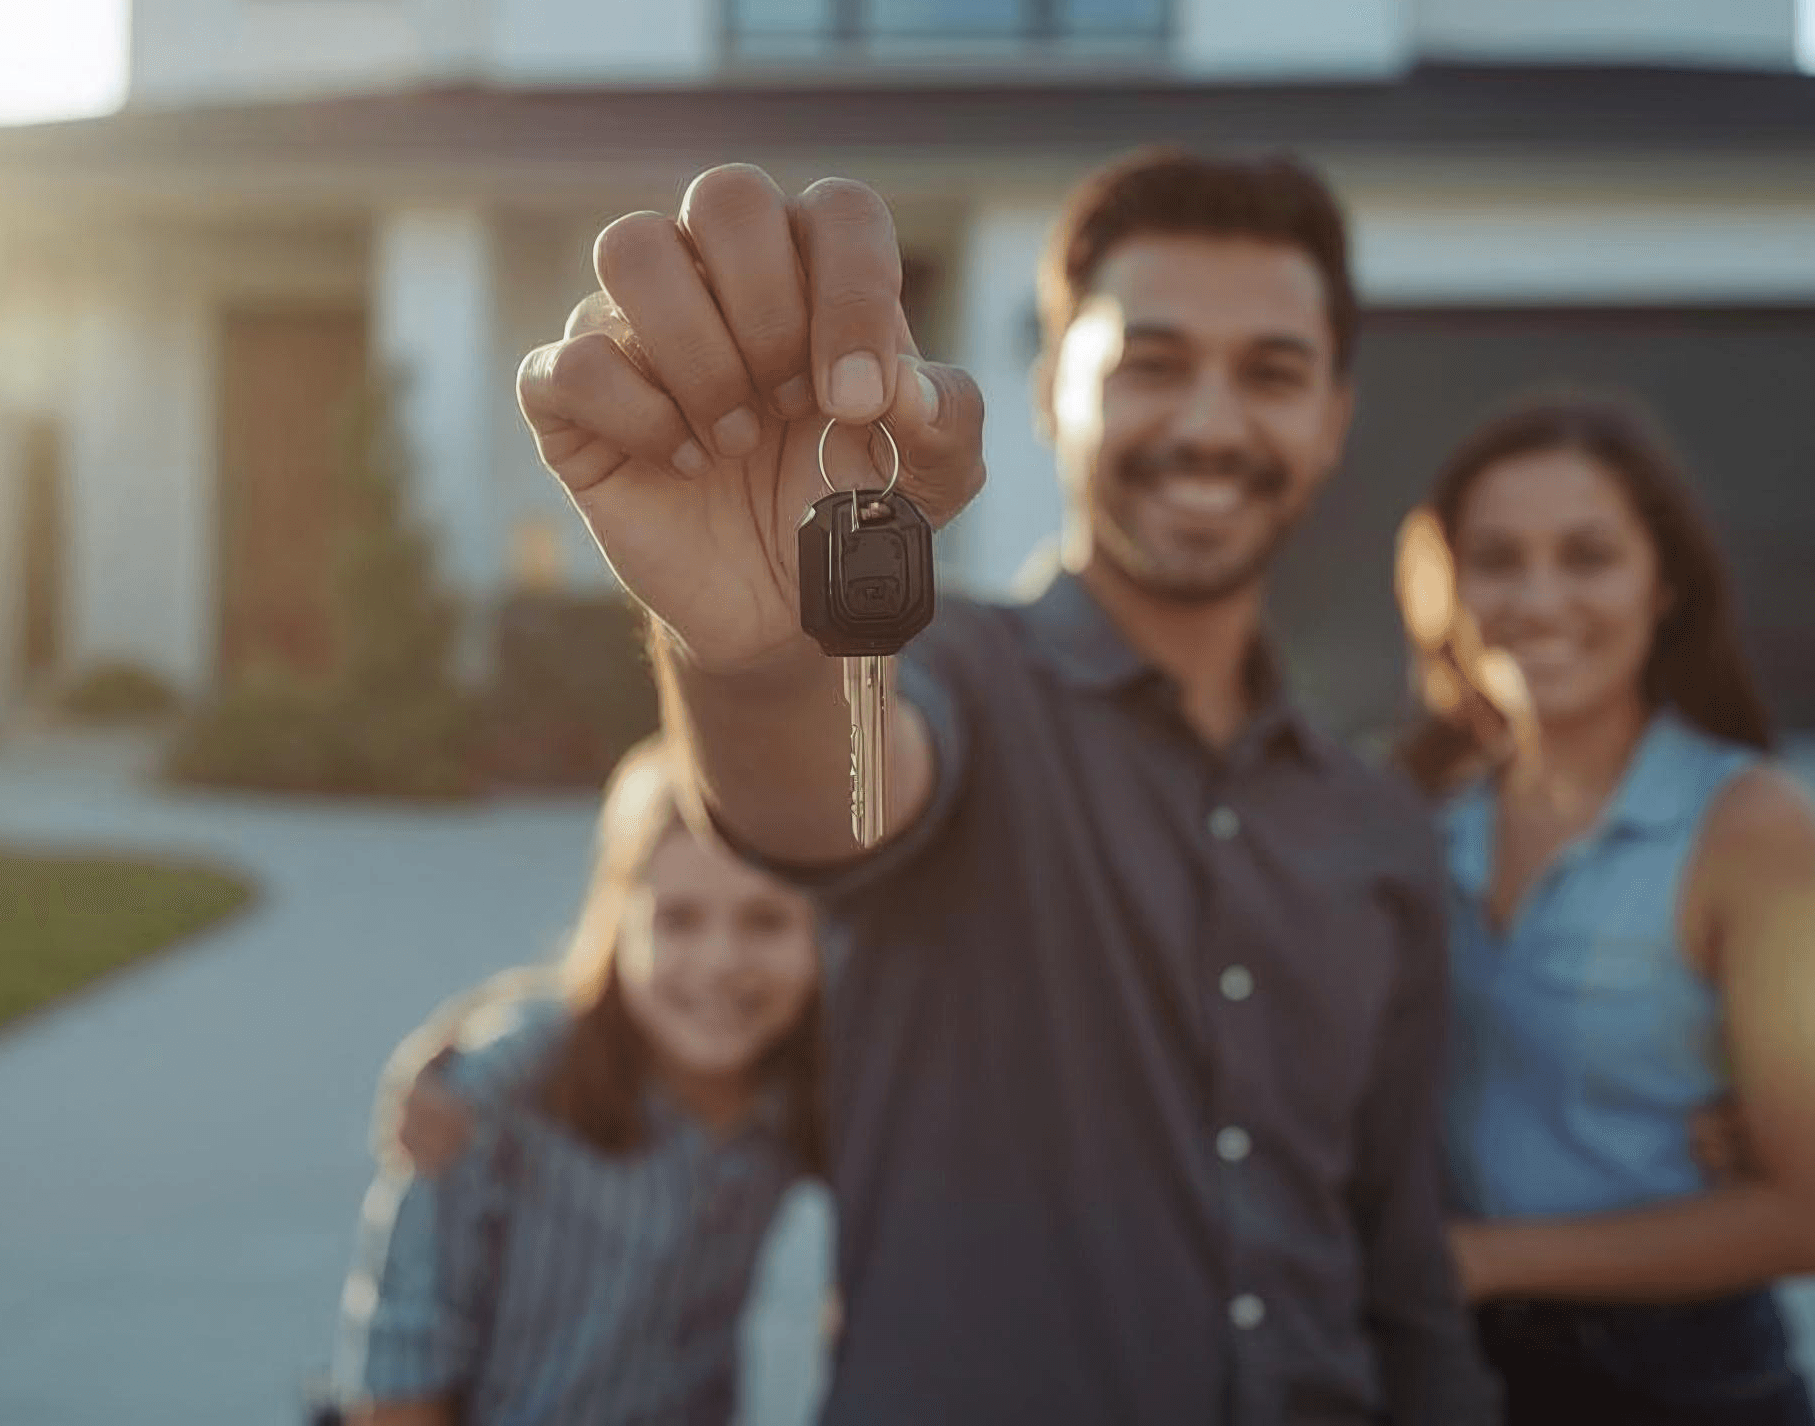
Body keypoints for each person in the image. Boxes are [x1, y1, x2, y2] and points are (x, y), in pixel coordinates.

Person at [512, 152, 1494, 1424]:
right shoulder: (935, 672)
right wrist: (759, 660)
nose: (1207, 422)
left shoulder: (1379, 830)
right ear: (1048, 386)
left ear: (1331, 418)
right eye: (1149, 362)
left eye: (1270, 372)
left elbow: (1398, 1262)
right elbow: (822, 809)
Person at [1388, 395, 1815, 1426]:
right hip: (1448, 1375)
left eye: (1587, 555)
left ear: (1664, 587)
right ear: (1446, 588)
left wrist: (1480, 1258)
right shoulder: (1412, 814)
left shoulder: (1751, 824)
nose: (1537, 595)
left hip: (1676, 1380)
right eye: (1497, 559)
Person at [327, 737, 826, 1426]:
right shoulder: (494, 1090)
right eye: (677, 920)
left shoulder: (801, 1091)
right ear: (617, 919)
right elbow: (399, 1372)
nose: (720, 963)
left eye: (766, 920)